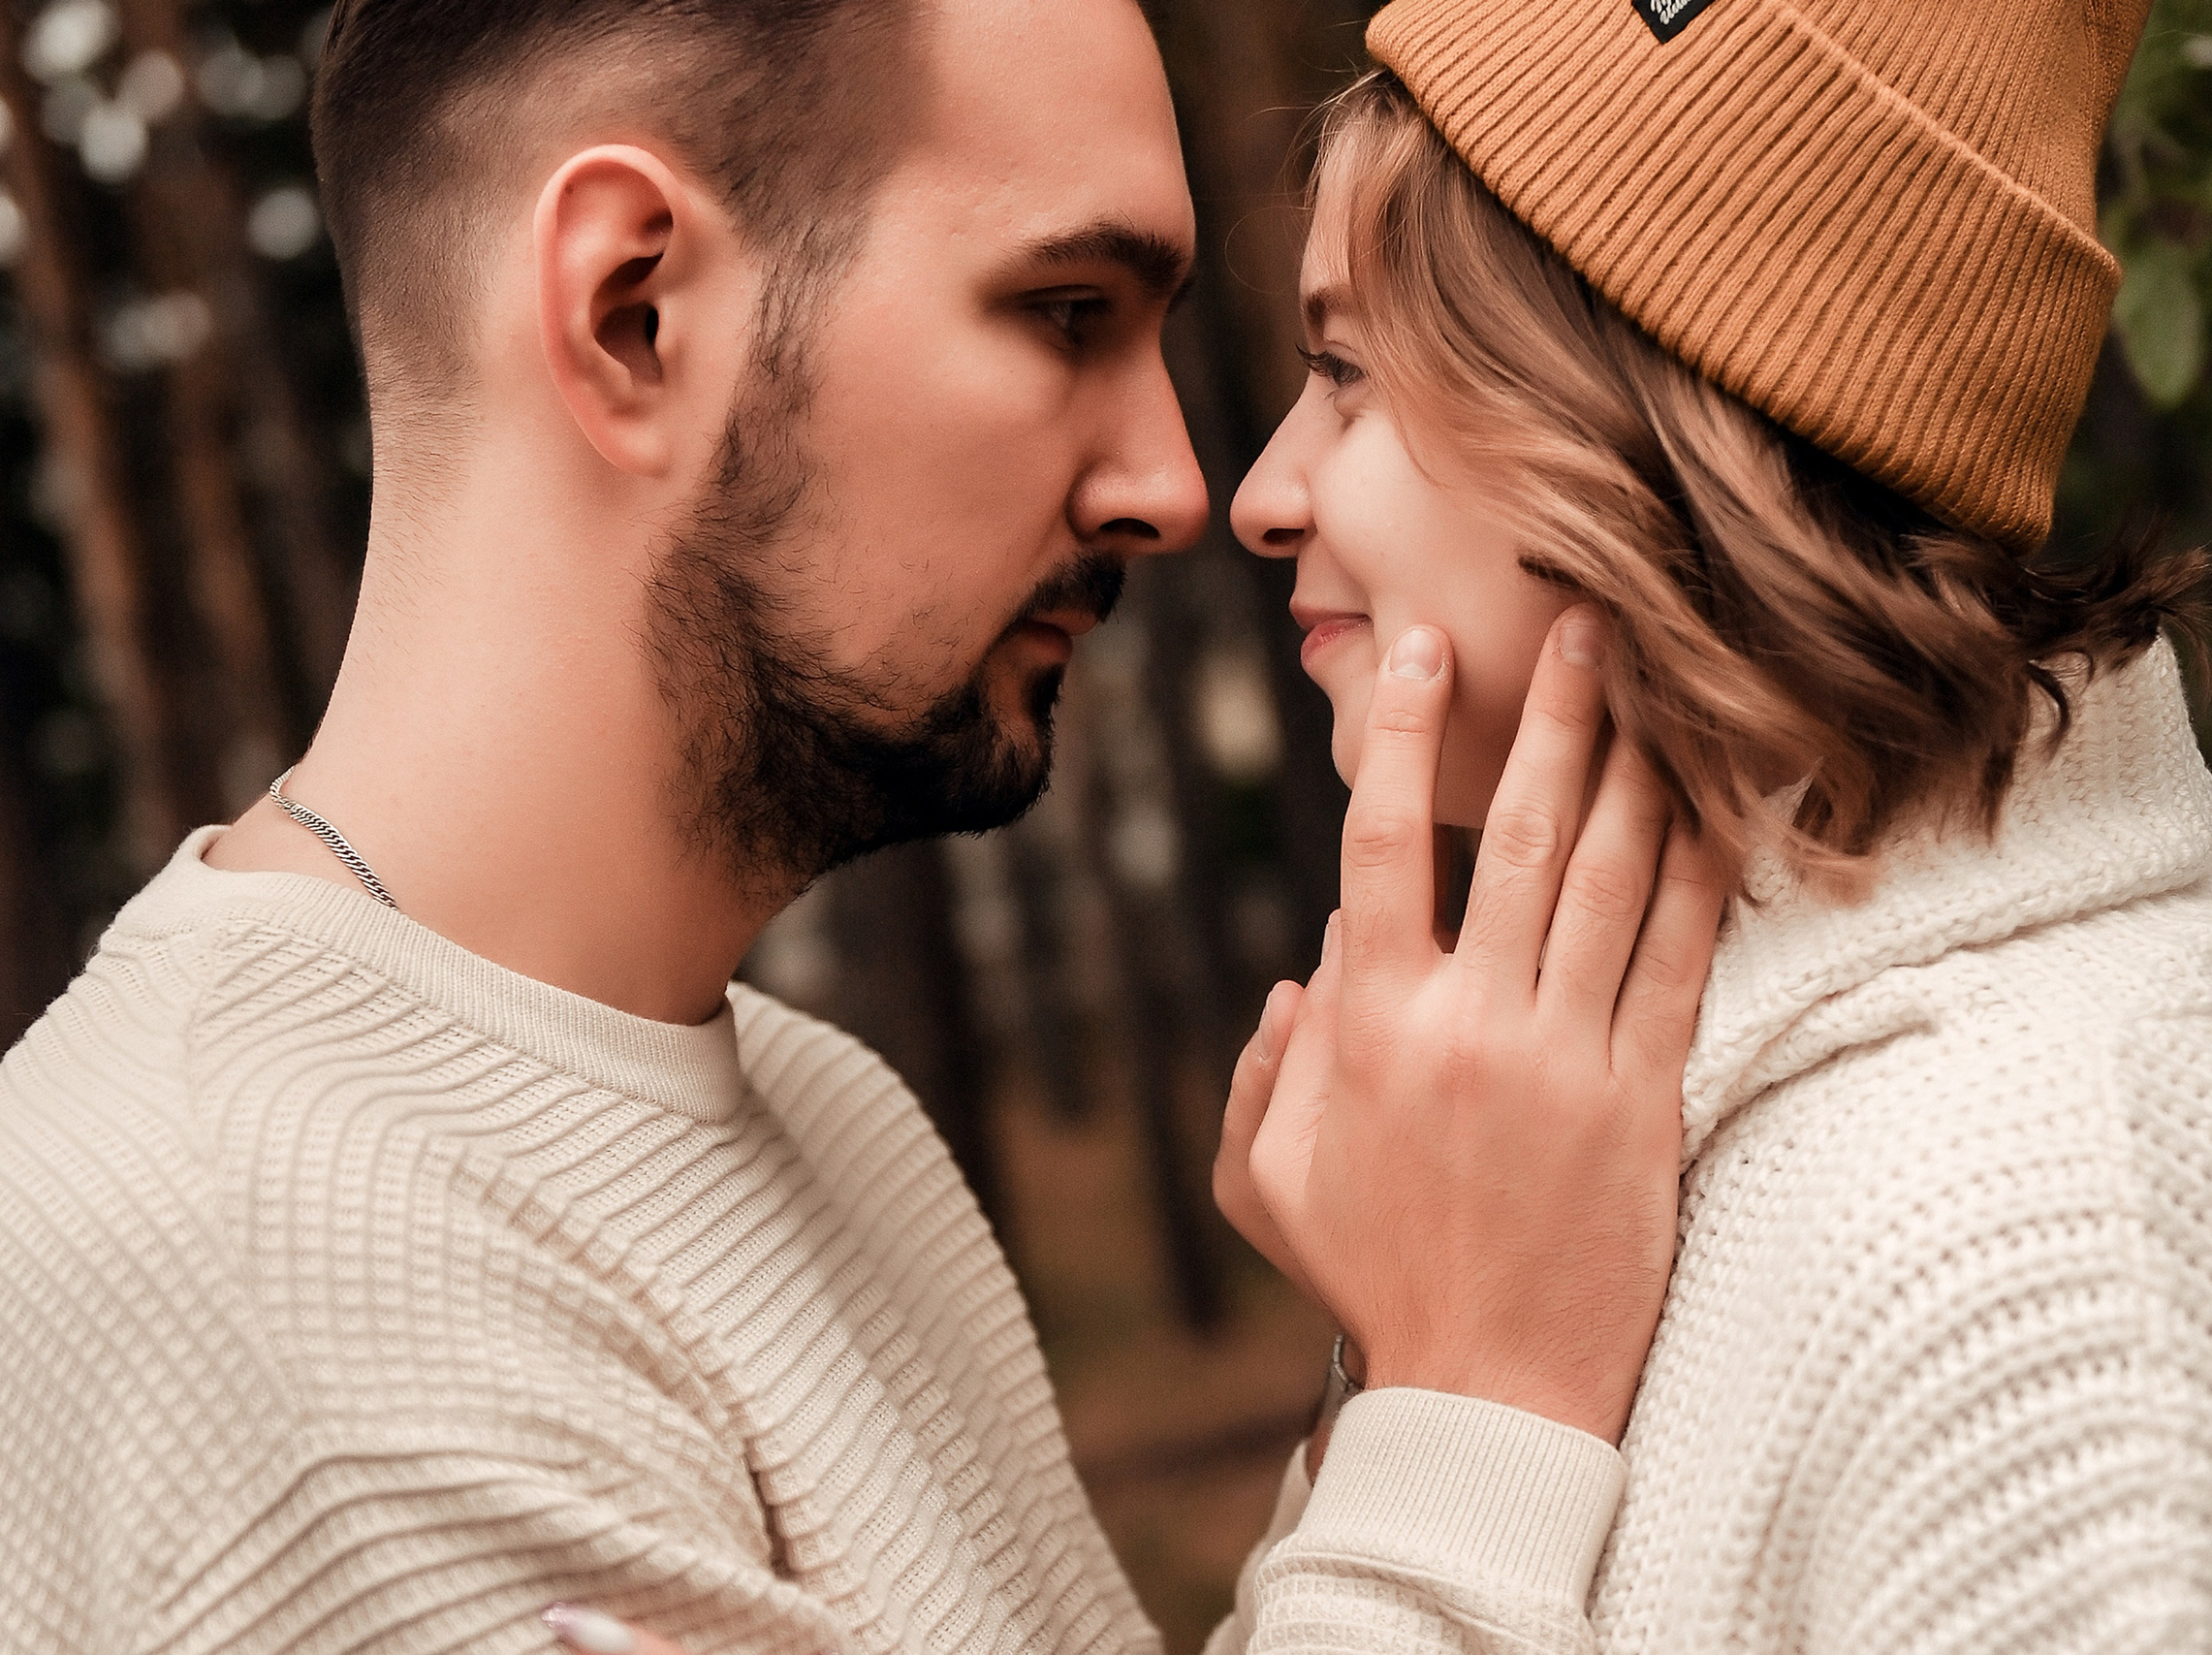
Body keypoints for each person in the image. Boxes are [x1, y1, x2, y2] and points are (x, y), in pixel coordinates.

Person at [0, 0, 1728, 1651]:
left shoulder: (820, 1108)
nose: (1176, 486)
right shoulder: (274, 1275)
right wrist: (1470, 1405)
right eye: (1065, 311)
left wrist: (1403, 1371)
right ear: (633, 313)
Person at [1213, 1, 2212, 1651]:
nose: (1259, 494)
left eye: (1344, 373)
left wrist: (1448, 1408)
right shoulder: (1626, 1150)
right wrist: (1408, 1373)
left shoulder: (2062, 1333)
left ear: (1652, 420)